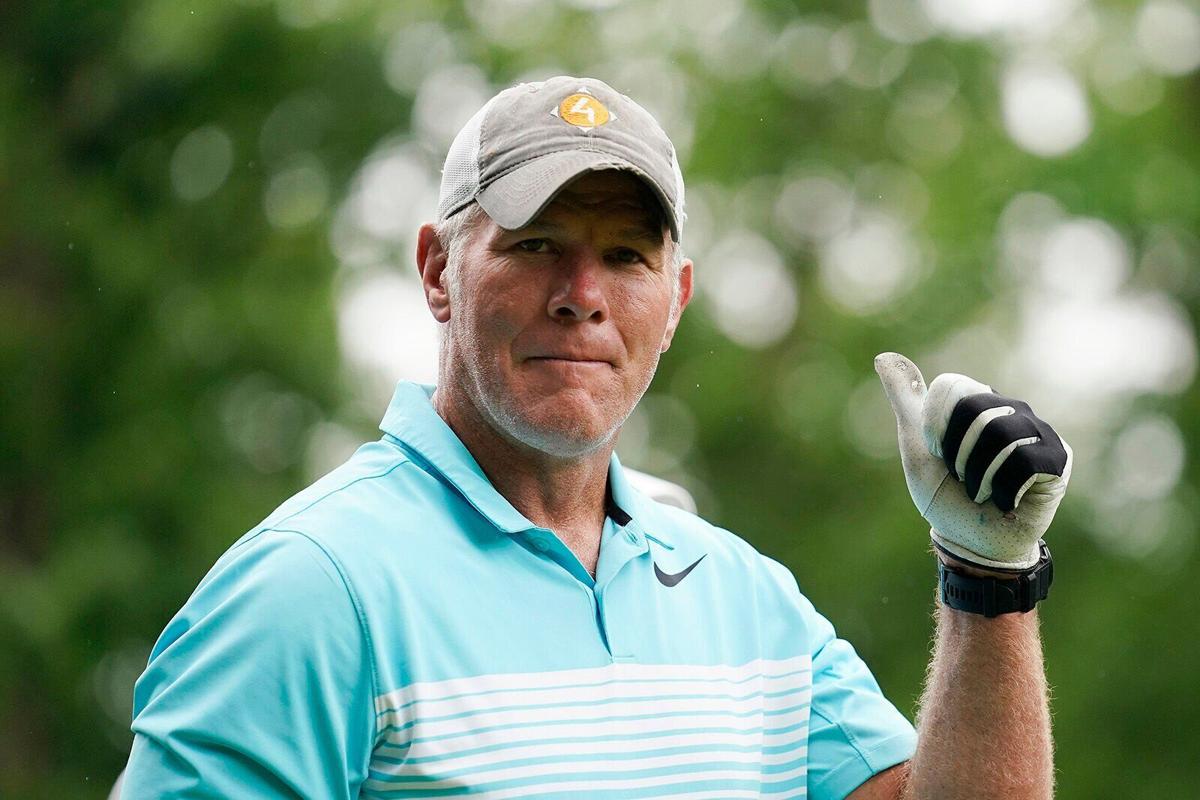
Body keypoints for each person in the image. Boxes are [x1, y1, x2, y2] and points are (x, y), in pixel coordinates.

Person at [122, 76, 1071, 799]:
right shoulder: (309, 589)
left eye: (626, 256)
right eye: (536, 243)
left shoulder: (745, 598)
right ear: (438, 270)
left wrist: (988, 582)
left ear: (675, 303)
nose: (583, 295)